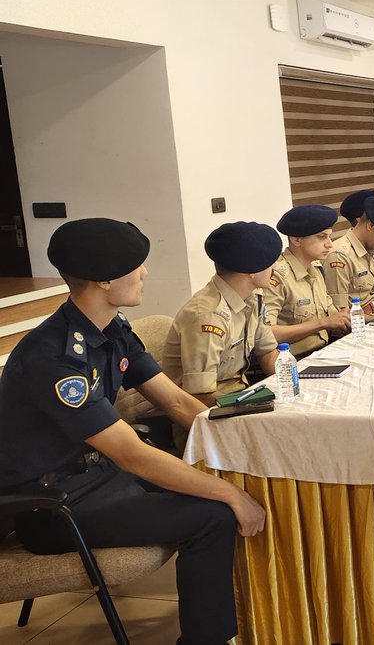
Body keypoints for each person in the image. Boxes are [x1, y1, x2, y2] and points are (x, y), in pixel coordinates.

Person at [0, 218, 266, 645]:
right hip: (54, 505)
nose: (145, 273)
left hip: (102, 478)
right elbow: (132, 455)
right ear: (104, 279)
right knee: (214, 513)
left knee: (234, 483)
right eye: (136, 266)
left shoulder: (112, 329)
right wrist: (231, 495)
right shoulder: (53, 358)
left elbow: (176, 402)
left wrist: (243, 447)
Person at [162, 222, 281, 407]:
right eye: (270, 262)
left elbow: (268, 353)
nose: (275, 266)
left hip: (240, 396)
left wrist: (291, 387)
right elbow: (200, 394)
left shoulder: (252, 298)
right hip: (209, 410)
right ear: (252, 269)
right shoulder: (208, 315)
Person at [262, 205, 351, 357]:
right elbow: (267, 335)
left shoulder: (315, 267)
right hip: (295, 359)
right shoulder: (277, 277)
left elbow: (329, 311)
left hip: (326, 349)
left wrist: (344, 319)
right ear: (296, 240)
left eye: (329, 237)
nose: (329, 244)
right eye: (322, 237)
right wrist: (323, 323)